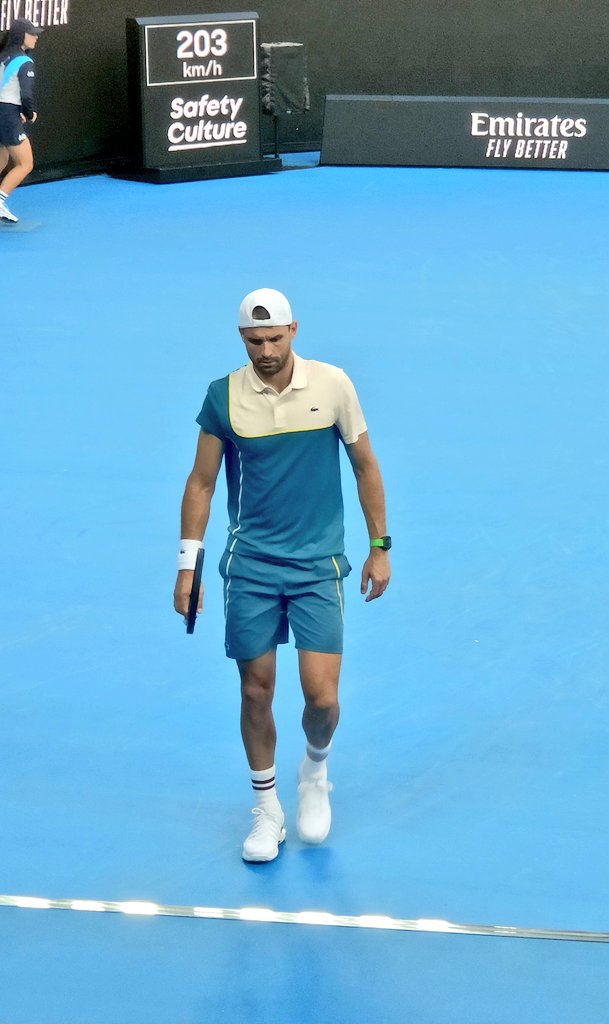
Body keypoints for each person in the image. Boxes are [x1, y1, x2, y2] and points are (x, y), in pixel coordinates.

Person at [173, 288, 391, 863]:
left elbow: (365, 466)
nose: (266, 351)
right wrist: (188, 567)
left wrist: (379, 546)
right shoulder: (223, 396)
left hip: (318, 565)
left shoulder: (333, 385)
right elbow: (201, 482)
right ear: (241, 338)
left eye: (274, 338)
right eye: (254, 341)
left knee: (322, 698)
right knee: (256, 688)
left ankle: (314, 770)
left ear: (294, 330)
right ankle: (266, 809)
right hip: (251, 565)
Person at [0, 18, 43, 224]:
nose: (36, 37)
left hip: (3, 112)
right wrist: (29, 112)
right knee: (25, 163)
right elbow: (26, 95)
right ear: (21, 36)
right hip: (7, 115)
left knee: (2, 160)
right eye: (32, 33)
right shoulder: (24, 62)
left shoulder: (2, 56)